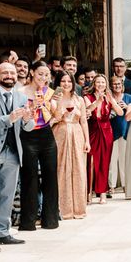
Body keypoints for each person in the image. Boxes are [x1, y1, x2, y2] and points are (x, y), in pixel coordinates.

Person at [0, 62, 34, 252]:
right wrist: (8, 119)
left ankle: (2, 231)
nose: (10, 75)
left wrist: (27, 120)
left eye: (12, 72)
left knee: (7, 194)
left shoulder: (21, 96)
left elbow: (28, 127)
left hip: (13, 152)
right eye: (5, 72)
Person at [18, 61, 60, 230]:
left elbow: (55, 115)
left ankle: (50, 220)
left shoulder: (50, 93)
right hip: (27, 135)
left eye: (46, 75)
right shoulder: (20, 92)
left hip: (46, 134)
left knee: (50, 176)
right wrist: (32, 107)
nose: (43, 77)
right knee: (29, 177)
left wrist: (50, 105)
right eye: (40, 73)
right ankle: (28, 222)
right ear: (32, 72)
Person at [51, 72, 90, 219]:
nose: (66, 84)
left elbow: (84, 121)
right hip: (60, 133)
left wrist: (87, 140)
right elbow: (57, 117)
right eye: (63, 81)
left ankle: (79, 208)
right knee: (62, 168)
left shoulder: (79, 99)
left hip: (77, 133)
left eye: (69, 81)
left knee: (79, 169)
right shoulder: (53, 99)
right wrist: (59, 102)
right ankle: (63, 209)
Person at [85, 73, 123, 204]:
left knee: (104, 162)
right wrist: (98, 102)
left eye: (103, 82)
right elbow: (87, 110)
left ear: (106, 84)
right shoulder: (87, 97)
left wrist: (112, 101)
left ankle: (102, 193)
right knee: (90, 161)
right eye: (98, 82)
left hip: (107, 131)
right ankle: (88, 193)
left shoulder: (109, 97)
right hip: (93, 130)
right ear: (94, 84)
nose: (101, 84)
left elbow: (120, 112)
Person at [108, 76, 131, 194]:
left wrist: (127, 107)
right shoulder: (109, 98)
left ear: (122, 85)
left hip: (125, 131)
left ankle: (125, 184)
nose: (117, 86)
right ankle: (111, 185)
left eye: (119, 84)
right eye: (114, 84)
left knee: (124, 160)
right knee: (112, 160)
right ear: (111, 85)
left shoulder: (129, 97)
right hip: (111, 131)